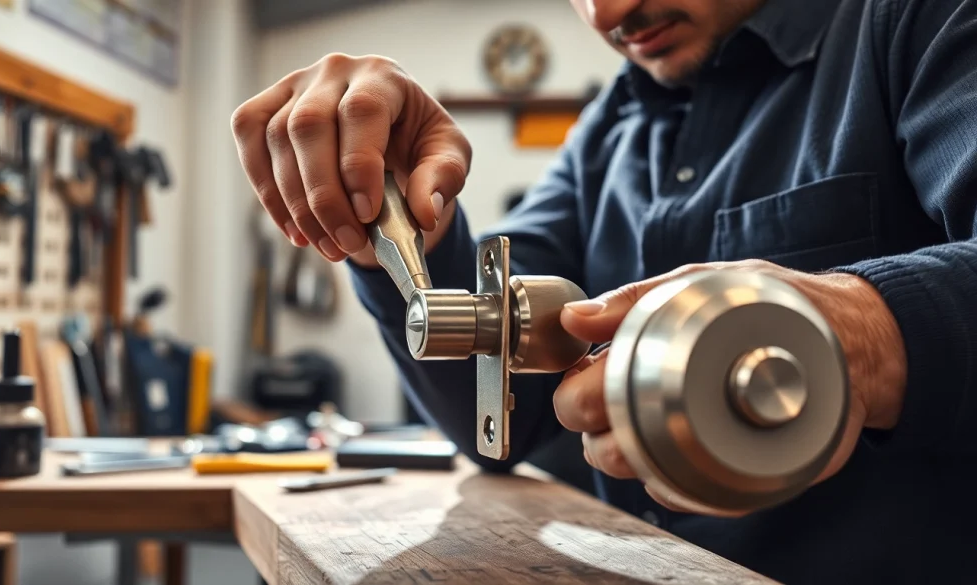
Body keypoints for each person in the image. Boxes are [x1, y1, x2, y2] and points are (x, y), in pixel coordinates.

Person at [231, 0, 977, 582]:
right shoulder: (606, 131)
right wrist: (389, 227)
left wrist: (867, 336)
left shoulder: (914, 24)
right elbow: (499, 417)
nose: (610, 15)